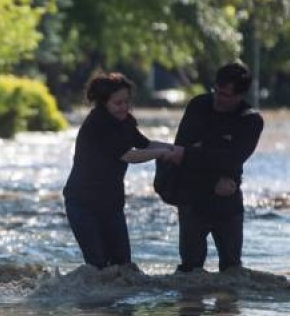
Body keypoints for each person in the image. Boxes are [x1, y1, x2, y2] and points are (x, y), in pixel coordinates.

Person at [63, 73, 175, 269]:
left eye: (127, 102)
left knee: (123, 266)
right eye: (118, 103)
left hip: (111, 203)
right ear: (104, 103)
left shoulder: (125, 122)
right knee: (98, 266)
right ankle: (93, 300)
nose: (124, 107)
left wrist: (177, 149)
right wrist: (163, 153)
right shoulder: (98, 123)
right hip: (82, 204)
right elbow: (129, 156)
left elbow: (145, 145)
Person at [165, 61, 264, 273]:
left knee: (232, 270)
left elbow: (231, 159)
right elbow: (179, 152)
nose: (218, 98)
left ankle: (228, 307)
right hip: (194, 197)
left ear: (240, 96)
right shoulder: (198, 105)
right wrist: (211, 175)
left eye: (225, 95)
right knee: (190, 270)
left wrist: (197, 151)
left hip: (227, 200)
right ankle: (189, 306)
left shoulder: (251, 121)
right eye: (216, 91)